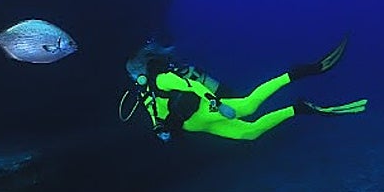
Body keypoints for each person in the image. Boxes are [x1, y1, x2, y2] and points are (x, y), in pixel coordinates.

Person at [120, 36, 367, 141]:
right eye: (132, 76)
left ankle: (299, 72)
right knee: (249, 134)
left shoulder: (161, 79)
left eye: (134, 74)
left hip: (205, 111)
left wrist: (217, 103)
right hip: (196, 125)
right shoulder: (144, 95)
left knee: (249, 105)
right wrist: (160, 130)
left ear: (142, 70)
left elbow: (193, 85)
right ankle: (298, 108)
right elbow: (156, 116)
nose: (134, 79)